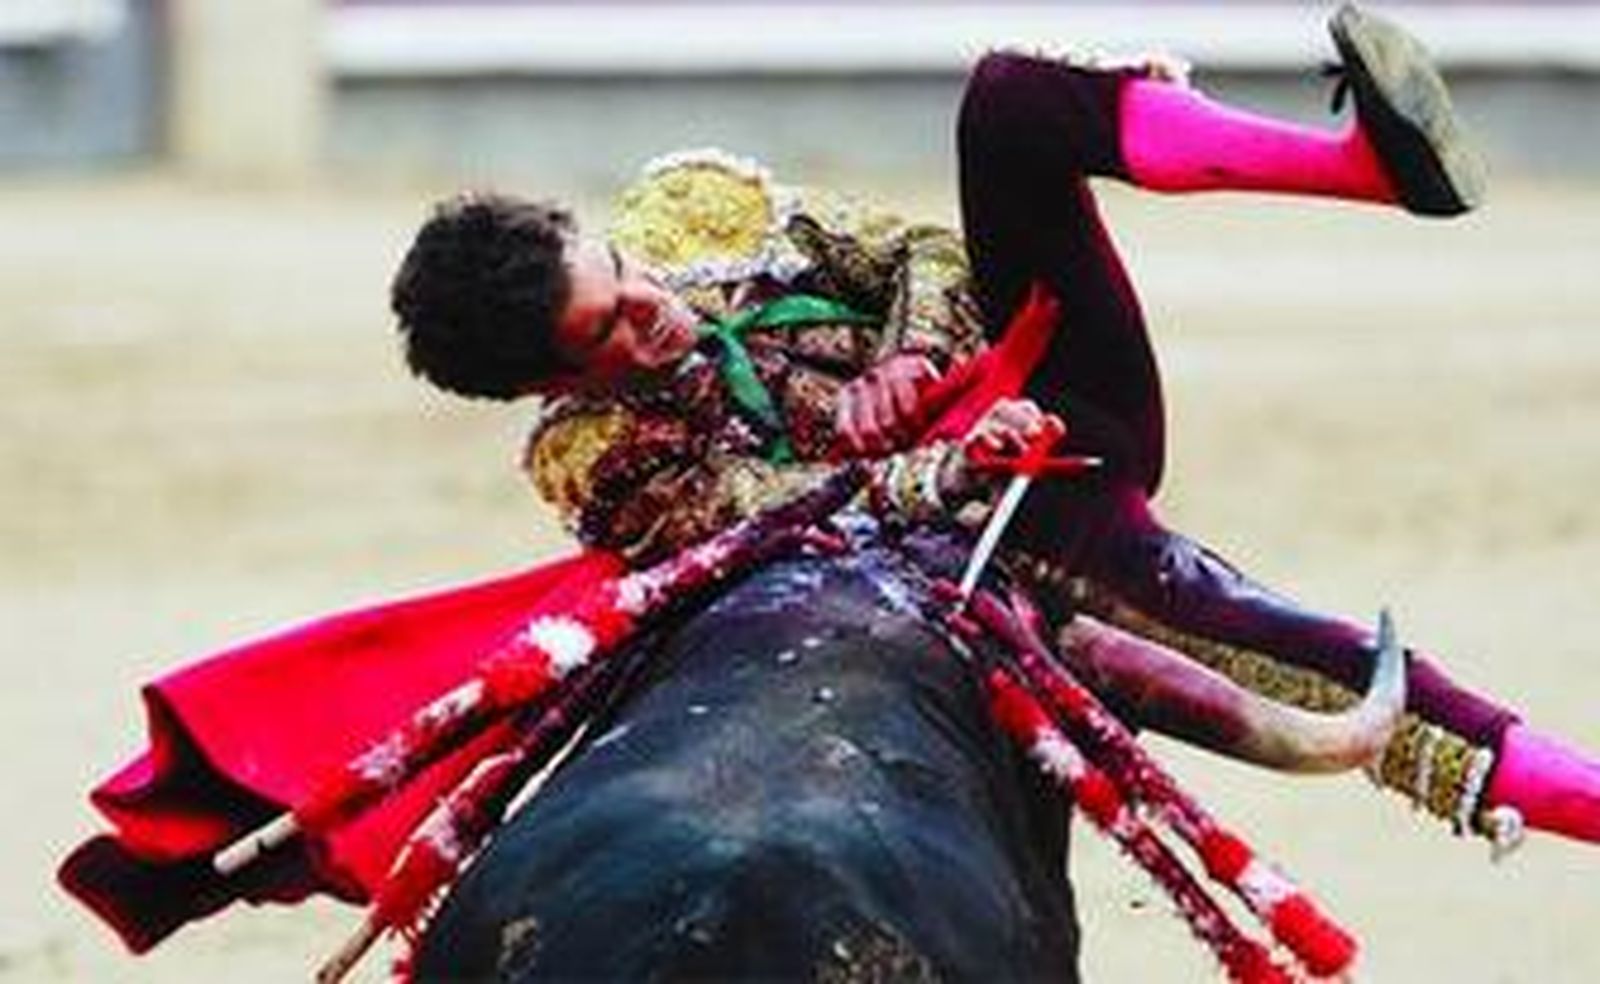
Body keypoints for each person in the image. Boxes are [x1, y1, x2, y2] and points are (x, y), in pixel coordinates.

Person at [388, 4, 1599, 976]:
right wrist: (951, 461)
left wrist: (916, 352)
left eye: (618, 274)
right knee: (1316, 668)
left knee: (1011, 97)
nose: (648, 310)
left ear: (589, 231)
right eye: (604, 333)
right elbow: (788, 517)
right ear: (549, 380)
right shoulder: (590, 453)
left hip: (1048, 384)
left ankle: (1365, 168)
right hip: (1005, 536)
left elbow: (920, 249)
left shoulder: (694, 209)